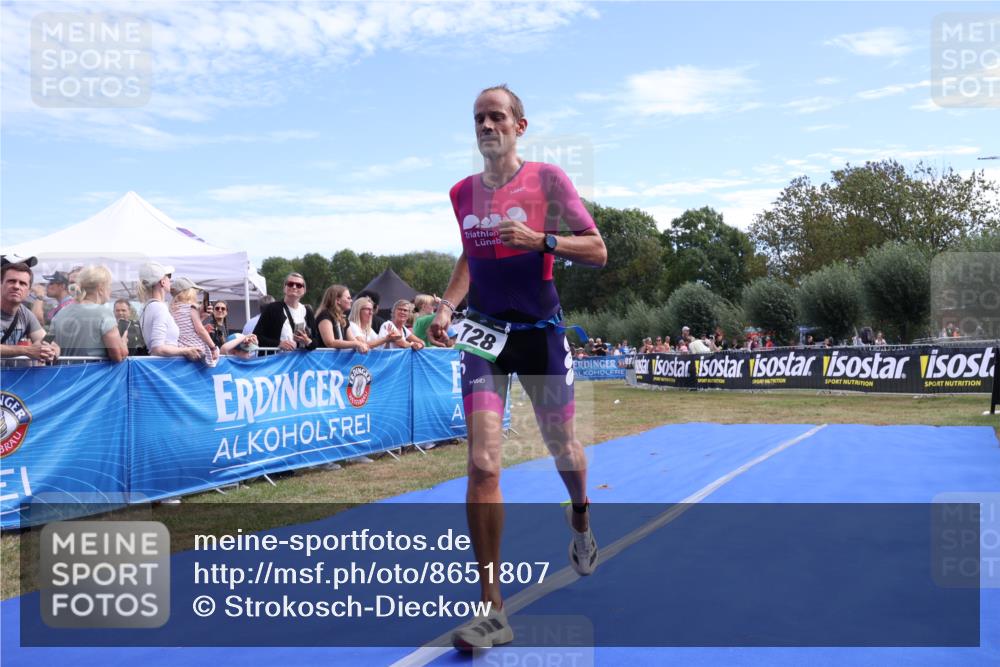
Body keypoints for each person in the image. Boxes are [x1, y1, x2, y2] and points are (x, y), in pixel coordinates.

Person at [428, 84, 607, 652]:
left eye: (497, 116)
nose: (486, 124)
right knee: (482, 464)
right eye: (478, 117)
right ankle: (492, 609)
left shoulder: (548, 181)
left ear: (519, 126)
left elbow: (598, 249)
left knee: (565, 452)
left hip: (541, 336)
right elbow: (469, 256)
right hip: (484, 338)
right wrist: (449, 306)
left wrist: (541, 240)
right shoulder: (461, 193)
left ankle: (580, 517)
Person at [50, 265, 127, 362]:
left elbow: (46, 343)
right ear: (101, 288)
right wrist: (123, 340)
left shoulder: (59, 313)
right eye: (109, 286)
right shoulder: (104, 313)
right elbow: (118, 355)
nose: (110, 290)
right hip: (94, 375)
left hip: (64, 374)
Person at [138, 262, 203, 360]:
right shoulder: (159, 307)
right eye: (168, 276)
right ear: (162, 282)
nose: (170, 280)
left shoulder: (146, 308)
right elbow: (157, 349)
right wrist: (186, 350)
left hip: (162, 367)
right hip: (167, 368)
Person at [0, 262, 60, 364]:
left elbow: (46, 339)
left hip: (10, 378)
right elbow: (30, 350)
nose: (16, 286)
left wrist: (52, 350)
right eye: (11, 281)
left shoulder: (25, 313)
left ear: (28, 291)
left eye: (22, 283)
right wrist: (27, 350)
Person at [253, 272, 317, 352]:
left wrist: (307, 341)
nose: (294, 287)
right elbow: (256, 336)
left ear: (304, 290)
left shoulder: (307, 311)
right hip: (277, 361)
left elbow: (315, 341)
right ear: (284, 288)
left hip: (300, 362)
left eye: (299, 285)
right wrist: (278, 344)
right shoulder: (272, 308)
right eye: (290, 284)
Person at [170, 277, 219, 365]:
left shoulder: (173, 309)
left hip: (182, 347)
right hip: (197, 348)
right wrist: (213, 347)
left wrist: (202, 317)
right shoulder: (191, 308)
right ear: (188, 292)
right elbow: (200, 330)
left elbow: (187, 326)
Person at [316, 284, 369, 353]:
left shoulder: (343, 319)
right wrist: (357, 344)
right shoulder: (325, 315)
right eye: (348, 298)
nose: (351, 301)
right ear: (338, 300)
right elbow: (330, 342)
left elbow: (352, 340)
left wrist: (361, 345)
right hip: (323, 361)